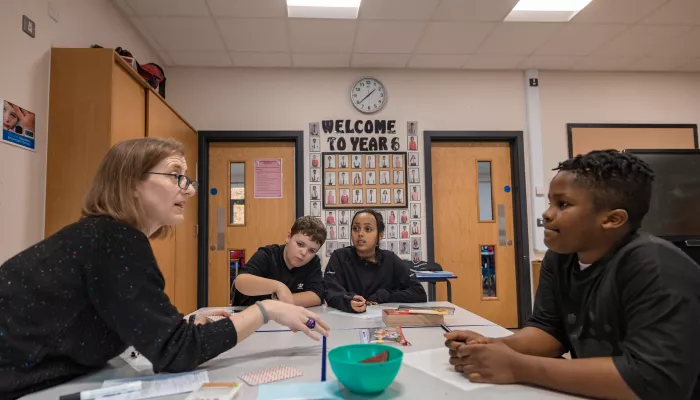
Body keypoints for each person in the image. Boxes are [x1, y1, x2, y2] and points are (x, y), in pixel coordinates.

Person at [0, 138, 329, 398]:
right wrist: (265, 310)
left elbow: (134, 326)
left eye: (187, 179)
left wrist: (182, 323)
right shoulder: (115, 239)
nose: (188, 188)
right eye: (175, 176)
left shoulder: (104, 235)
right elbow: (177, 352)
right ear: (130, 182)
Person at [444, 150, 700, 400]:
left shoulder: (655, 266)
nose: (546, 214)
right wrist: (491, 346)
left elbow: (654, 381)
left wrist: (516, 366)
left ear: (612, 219)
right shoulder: (561, 256)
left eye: (563, 204)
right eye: (550, 203)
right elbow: (550, 331)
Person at [324, 209, 427, 313]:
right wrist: (349, 300)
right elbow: (331, 292)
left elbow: (419, 293)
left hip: (382, 322)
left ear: (380, 235)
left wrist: (385, 296)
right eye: (355, 228)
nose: (360, 233)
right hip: (346, 320)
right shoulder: (339, 257)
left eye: (368, 229)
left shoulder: (390, 260)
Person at [233, 216, 328, 308]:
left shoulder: (313, 262)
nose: (304, 253)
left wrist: (278, 302)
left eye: (312, 251)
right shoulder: (268, 254)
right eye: (300, 244)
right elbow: (241, 281)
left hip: (281, 318)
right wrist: (279, 287)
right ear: (288, 237)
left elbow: (317, 296)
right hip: (250, 315)